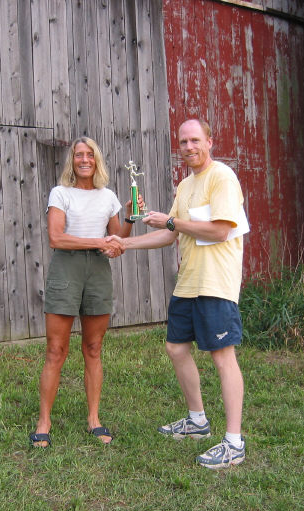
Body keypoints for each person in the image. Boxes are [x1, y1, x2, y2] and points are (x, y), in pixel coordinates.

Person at [109, 119, 246, 469]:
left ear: (209, 141)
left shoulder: (222, 178)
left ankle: (234, 443)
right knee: (175, 347)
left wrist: (171, 222)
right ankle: (197, 421)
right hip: (188, 283)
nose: (188, 147)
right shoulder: (185, 185)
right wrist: (125, 243)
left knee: (221, 356)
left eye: (195, 140)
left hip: (216, 283)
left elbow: (219, 231)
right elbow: (169, 234)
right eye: (183, 142)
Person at [30, 136, 141, 448]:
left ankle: (94, 419)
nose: (84, 160)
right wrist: (99, 242)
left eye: (89, 155)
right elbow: (57, 238)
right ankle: (44, 422)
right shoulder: (60, 193)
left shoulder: (108, 197)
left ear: (97, 161)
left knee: (93, 348)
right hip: (66, 269)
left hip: (97, 272)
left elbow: (117, 239)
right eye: (78, 155)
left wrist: (130, 216)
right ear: (72, 161)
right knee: (56, 350)